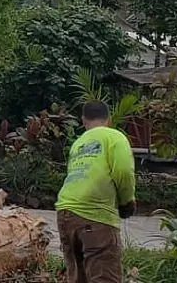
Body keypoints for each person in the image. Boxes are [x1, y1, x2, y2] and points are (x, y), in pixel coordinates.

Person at [55, 100, 136, 283]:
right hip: (95, 215)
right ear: (109, 119)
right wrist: (126, 201)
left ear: (83, 121)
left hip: (65, 214)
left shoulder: (78, 143)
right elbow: (123, 171)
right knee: (104, 277)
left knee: (77, 277)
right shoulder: (114, 137)